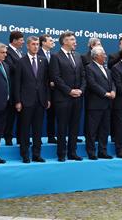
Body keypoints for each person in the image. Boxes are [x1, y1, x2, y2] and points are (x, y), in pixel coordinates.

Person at [49, 31, 86, 162]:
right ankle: (61, 153)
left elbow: (83, 76)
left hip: (77, 98)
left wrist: (80, 90)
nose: (75, 42)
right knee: (62, 127)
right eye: (72, 39)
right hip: (63, 98)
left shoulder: (78, 56)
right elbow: (56, 77)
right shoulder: (55, 56)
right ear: (64, 42)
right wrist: (69, 91)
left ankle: (72, 152)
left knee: (74, 126)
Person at [14, 36, 50, 163]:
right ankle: (25, 154)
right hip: (26, 101)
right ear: (28, 46)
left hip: (40, 100)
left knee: (38, 129)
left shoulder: (43, 60)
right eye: (33, 44)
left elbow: (46, 82)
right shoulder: (21, 61)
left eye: (37, 44)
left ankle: (36, 154)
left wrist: (48, 99)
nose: (36, 47)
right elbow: (17, 83)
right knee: (24, 129)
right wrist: (17, 101)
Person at [85, 46, 115, 160]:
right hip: (95, 104)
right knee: (92, 130)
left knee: (104, 129)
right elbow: (92, 84)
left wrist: (113, 91)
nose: (106, 56)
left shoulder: (107, 69)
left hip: (107, 104)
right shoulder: (89, 68)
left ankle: (103, 151)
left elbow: (112, 82)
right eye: (103, 54)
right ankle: (91, 152)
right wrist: (105, 93)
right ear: (96, 56)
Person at [3, 30, 24, 145]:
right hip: (11, 88)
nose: (23, 42)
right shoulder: (7, 51)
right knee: (11, 115)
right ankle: (8, 138)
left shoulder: (20, 52)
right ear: (14, 41)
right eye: (21, 40)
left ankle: (20, 138)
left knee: (21, 116)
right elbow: (11, 67)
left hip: (22, 88)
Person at [38, 34, 57, 144]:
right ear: (43, 42)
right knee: (38, 116)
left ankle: (51, 136)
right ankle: (37, 138)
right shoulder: (38, 54)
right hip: (41, 88)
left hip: (53, 90)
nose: (52, 42)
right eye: (50, 40)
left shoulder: (53, 55)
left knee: (52, 114)